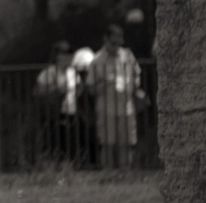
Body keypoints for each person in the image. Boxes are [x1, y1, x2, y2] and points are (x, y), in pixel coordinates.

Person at [86, 24, 143, 170]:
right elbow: (91, 89)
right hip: (106, 108)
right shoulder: (97, 60)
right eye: (113, 43)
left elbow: (137, 75)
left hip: (126, 106)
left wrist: (135, 87)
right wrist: (105, 83)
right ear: (105, 40)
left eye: (119, 43)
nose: (117, 47)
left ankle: (125, 172)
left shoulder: (128, 56)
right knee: (107, 142)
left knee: (126, 142)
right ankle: (108, 172)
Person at [34, 41, 80, 163]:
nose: (70, 57)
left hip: (71, 113)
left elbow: (79, 88)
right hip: (54, 116)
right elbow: (38, 92)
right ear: (58, 56)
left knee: (71, 147)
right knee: (55, 147)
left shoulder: (73, 72)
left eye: (71, 54)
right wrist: (57, 90)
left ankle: (69, 171)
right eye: (66, 54)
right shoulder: (48, 72)